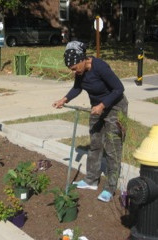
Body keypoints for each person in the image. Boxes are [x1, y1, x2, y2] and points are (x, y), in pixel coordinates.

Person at [52, 41, 128, 202]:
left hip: (115, 106)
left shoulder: (100, 67)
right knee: (95, 144)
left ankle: (110, 187)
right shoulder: (80, 73)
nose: (73, 72)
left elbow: (119, 89)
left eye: (74, 68)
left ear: (82, 59)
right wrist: (63, 99)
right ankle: (91, 180)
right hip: (96, 108)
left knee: (112, 148)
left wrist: (103, 104)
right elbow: (77, 88)